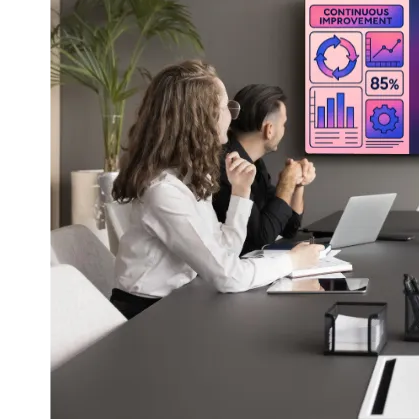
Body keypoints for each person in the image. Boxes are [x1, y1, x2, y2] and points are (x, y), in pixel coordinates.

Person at [109, 60, 324, 319]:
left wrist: (240, 193)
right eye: (226, 108)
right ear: (200, 118)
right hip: (146, 317)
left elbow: (226, 252)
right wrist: (292, 261)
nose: (232, 117)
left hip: (180, 302)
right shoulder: (163, 192)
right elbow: (229, 276)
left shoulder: (187, 178)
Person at [211, 84, 316, 255]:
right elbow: (261, 237)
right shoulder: (228, 167)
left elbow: (288, 229)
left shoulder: (256, 164)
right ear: (269, 130)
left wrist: (297, 184)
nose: (284, 131)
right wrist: (287, 182)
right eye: (284, 124)